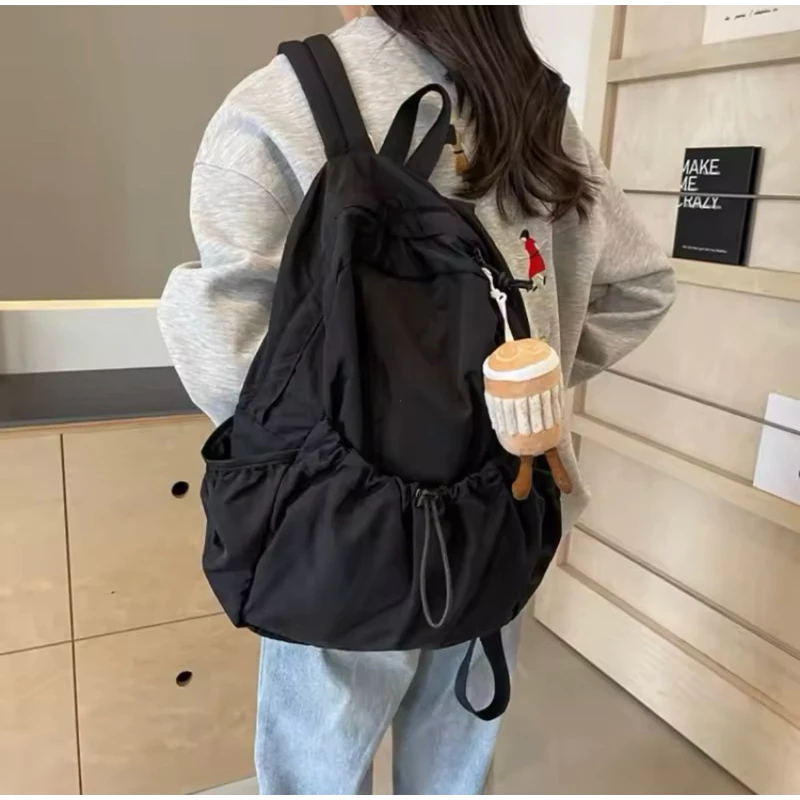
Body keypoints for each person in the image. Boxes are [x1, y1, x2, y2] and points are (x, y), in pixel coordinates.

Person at [159, 6, 675, 795]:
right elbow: (639, 287)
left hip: (335, 524)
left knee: (319, 773)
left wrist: (343, 440)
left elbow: (222, 346)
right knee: (453, 764)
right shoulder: (534, 108)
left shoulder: (278, 106)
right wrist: (519, 388)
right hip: (505, 504)